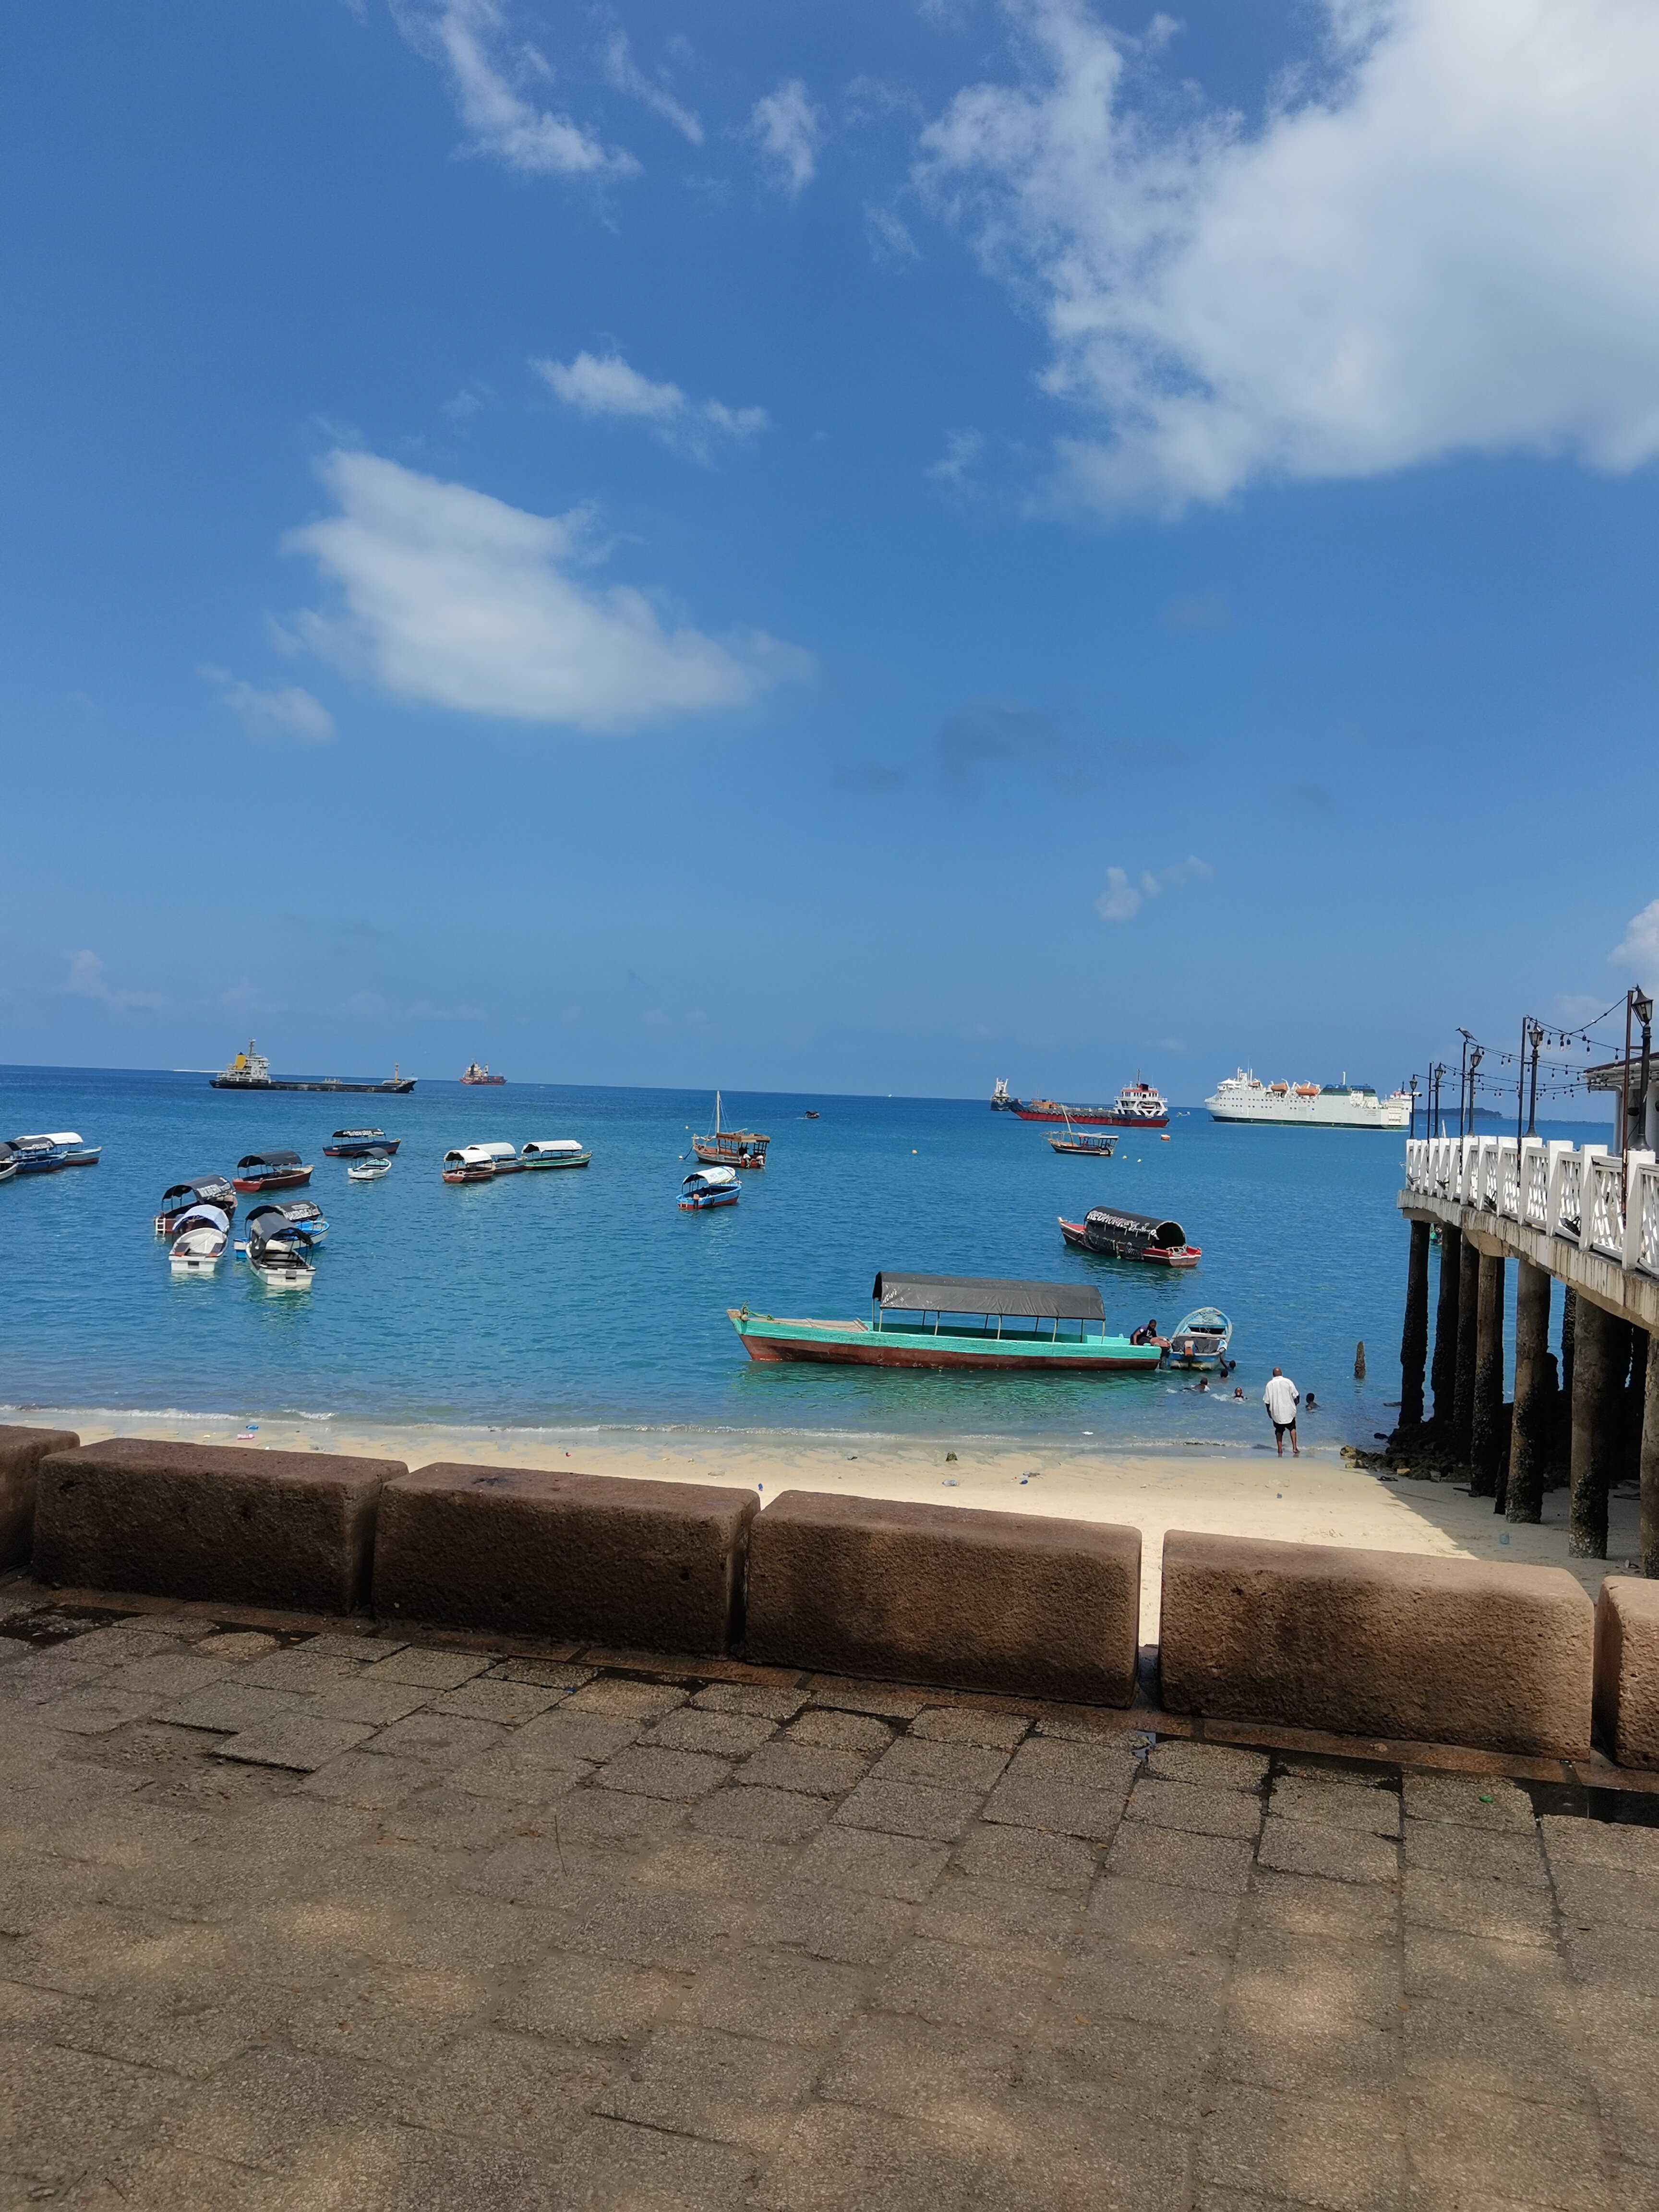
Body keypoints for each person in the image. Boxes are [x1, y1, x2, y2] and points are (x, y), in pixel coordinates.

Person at [1262, 1366, 1300, 1457]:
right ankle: (1295, 1447)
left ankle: (1280, 1450)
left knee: (1279, 1431)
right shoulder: (1288, 1382)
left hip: (1276, 1411)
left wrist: (1269, 1412)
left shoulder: (1270, 1385)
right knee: (1292, 1428)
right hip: (1289, 1410)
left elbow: (1267, 1401)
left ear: (1273, 1375)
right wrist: (1295, 1405)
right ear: (1281, 1374)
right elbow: (1297, 1396)